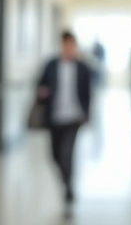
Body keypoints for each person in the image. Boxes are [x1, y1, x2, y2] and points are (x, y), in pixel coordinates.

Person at [37, 31, 93, 211]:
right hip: (54, 118)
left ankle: (68, 188)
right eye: (65, 45)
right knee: (54, 155)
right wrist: (42, 93)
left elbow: (87, 93)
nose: (68, 49)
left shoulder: (82, 67)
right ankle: (65, 180)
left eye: (71, 45)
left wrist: (87, 115)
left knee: (67, 154)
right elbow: (39, 85)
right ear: (61, 45)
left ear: (74, 46)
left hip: (74, 118)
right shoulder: (51, 65)